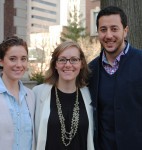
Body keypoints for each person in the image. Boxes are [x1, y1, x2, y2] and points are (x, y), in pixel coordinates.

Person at [88, 5, 142, 150]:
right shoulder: (90, 70)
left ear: (125, 31)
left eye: (114, 29)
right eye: (103, 29)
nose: (109, 35)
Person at [33, 41, 94, 150]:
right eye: (62, 60)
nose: (68, 65)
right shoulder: (38, 93)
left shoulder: (90, 95)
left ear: (82, 64)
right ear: (55, 64)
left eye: (74, 60)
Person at [0, 36, 35, 150]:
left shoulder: (31, 96)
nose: (19, 64)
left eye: (23, 59)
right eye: (12, 59)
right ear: (1, 61)